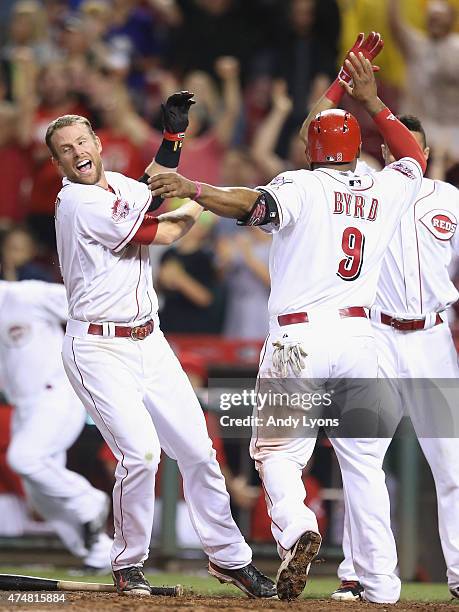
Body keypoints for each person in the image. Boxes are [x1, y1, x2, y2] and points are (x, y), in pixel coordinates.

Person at [148, 43, 428, 603]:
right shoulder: (385, 184)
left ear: (310, 148)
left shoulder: (299, 185)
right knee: (365, 466)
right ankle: (381, 586)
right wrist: (371, 100)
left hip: (301, 339)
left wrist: (195, 189)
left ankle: (298, 529)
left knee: (278, 454)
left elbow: (247, 203)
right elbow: (412, 157)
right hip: (360, 339)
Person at [48, 91, 276, 598]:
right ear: (58, 161)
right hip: (98, 347)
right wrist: (204, 201)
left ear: (97, 143)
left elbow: (151, 190)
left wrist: (173, 137)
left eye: (81, 140)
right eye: (65, 148)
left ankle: (230, 559)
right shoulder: (76, 201)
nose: (76, 151)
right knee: (142, 455)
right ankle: (129, 563)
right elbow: (163, 229)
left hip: (149, 341)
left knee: (199, 451)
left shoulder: (119, 184)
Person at [298, 35, 459, 603]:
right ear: (385, 153)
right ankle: (361, 575)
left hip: (434, 338)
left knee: (453, 467)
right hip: (373, 335)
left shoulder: (450, 200)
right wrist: (344, 85)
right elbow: (315, 131)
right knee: (360, 457)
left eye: (410, 146)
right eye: (392, 145)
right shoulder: (364, 188)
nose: (400, 153)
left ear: (426, 154)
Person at [0, 279, 112, 570]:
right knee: (40, 495)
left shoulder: (27, 294)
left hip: (56, 394)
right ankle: (100, 552)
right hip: (24, 407)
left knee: (24, 458)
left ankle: (89, 500)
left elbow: (88, 306)